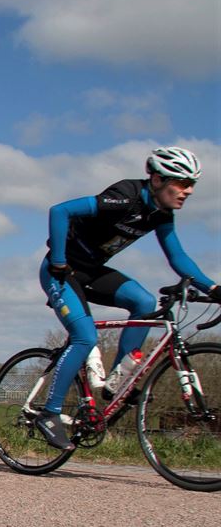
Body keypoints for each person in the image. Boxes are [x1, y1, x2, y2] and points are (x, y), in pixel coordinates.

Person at [36, 146, 219, 451]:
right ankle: (49, 413)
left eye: (192, 185)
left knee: (145, 303)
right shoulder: (126, 195)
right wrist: (57, 260)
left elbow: (178, 256)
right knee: (84, 336)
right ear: (159, 179)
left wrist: (213, 289)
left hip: (92, 271)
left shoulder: (162, 215)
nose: (188, 191)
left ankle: (119, 381)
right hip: (61, 271)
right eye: (182, 183)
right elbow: (60, 210)